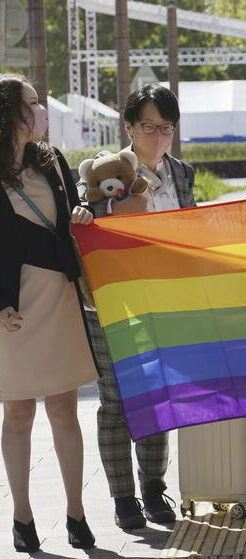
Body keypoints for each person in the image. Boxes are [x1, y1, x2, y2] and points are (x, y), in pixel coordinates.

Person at [80, 84, 196, 530]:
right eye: (149, 126)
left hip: (163, 302)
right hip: (109, 301)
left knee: (157, 394)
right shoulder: (104, 169)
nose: (158, 136)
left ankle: (152, 489)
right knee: (114, 401)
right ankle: (123, 498)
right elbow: (80, 215)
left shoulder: (181, 173)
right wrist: (113, 209)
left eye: (166, 127)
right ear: (128, 127)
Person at [0, 74, 97, 552]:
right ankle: (22, 517)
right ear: (10, 114)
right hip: (11, 308)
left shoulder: (52, 159)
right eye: (33, 103)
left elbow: (73, 212)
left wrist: (83, 214)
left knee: (64, 409)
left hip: (59, 294)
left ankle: (76, 513)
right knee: (18, 412)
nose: (41, 111)